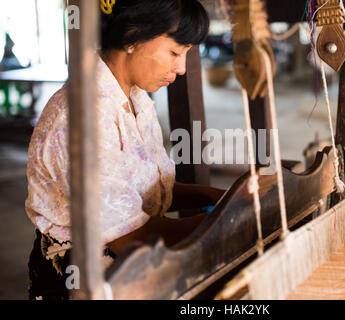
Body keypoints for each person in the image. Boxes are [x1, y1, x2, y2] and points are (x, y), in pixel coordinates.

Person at [25, 0, 225, 300]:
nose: (181, 68)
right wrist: (231, 221)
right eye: (175, 52)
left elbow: (148, 191)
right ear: (133, 36)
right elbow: (129, 236)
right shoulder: (83, 118)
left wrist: (218, 197)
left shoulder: (134, 98)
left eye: (186, 55)